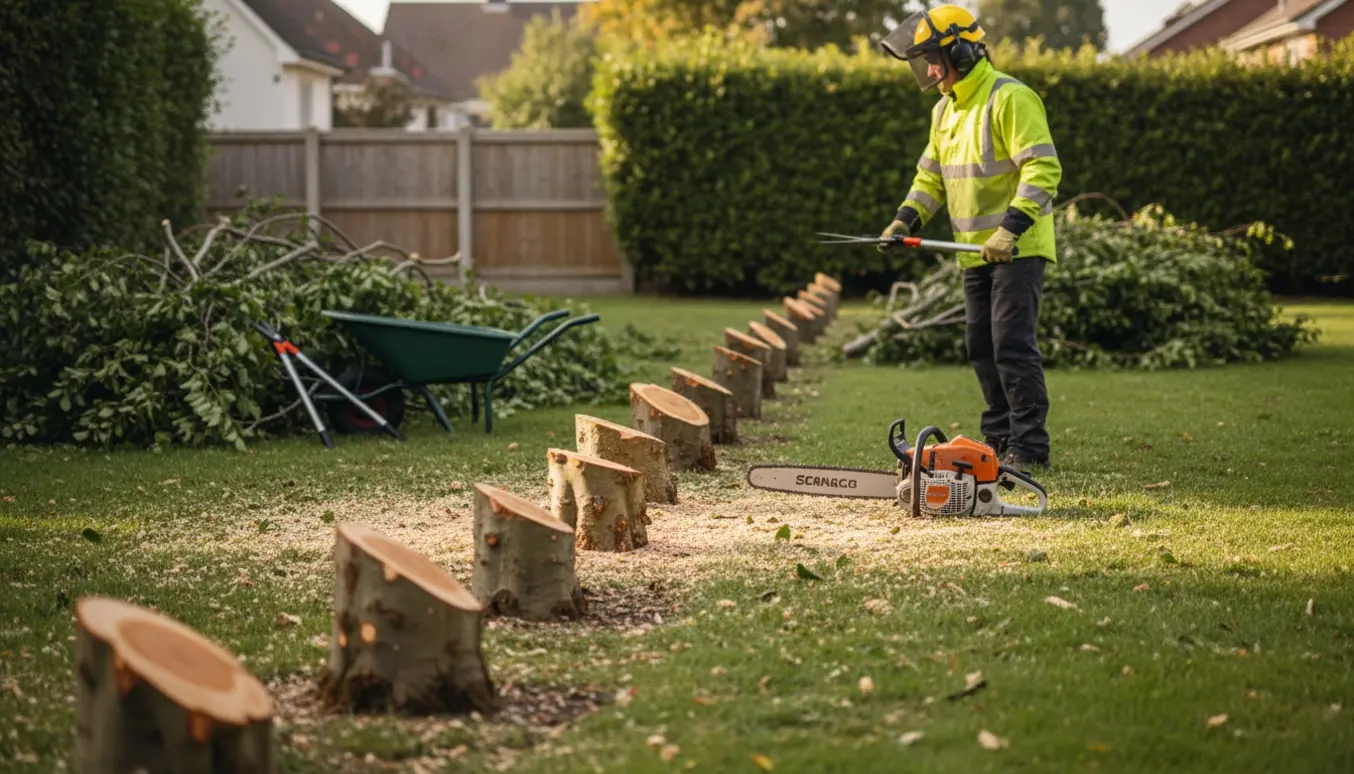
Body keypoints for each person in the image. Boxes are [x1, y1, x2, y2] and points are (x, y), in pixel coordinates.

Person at [877, 4, 1062, 471]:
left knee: (1011, 345)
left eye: (934, 57)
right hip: (973, 253)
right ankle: (996, 439)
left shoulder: (1009, 97)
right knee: (981, 346)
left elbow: (1043, 168)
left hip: (1016, 247)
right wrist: (904, 220)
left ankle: (1029, 446)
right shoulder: (945, 110)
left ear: (960, 49)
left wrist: (1010, 229)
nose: (930, 68)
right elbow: (930, 178)